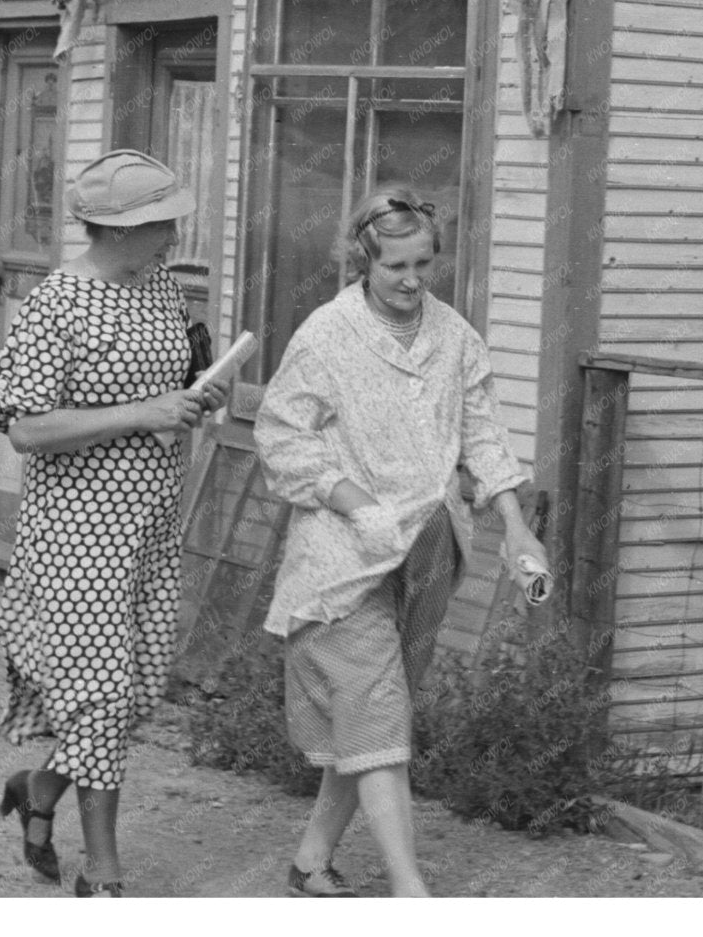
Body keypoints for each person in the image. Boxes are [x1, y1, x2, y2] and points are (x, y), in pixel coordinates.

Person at [254, 184, 550, 898]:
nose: (413, 281)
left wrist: (514, 526)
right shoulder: (325, 334)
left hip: (427, 551)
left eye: (424, 264)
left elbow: (483, 435)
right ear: (364, 261)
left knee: (374, 720)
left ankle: (310, 861)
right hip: (342, 560)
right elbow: (281, 435)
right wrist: (354, 504)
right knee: (377, 711)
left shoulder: (454, 335)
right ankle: (410, 892)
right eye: (397, 267)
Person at [0, 148, 223, 896]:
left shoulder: (159, 289)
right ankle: (105, 873)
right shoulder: (57, 303)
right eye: (163, 224)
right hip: (78, 528)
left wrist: (194, 396)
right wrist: (141, 413)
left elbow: (167, 388)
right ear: (119, 229)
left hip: (150, 519)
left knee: (136, 687)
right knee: (97, 695)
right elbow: (26, 429)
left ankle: (41, 790)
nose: (174, 236)